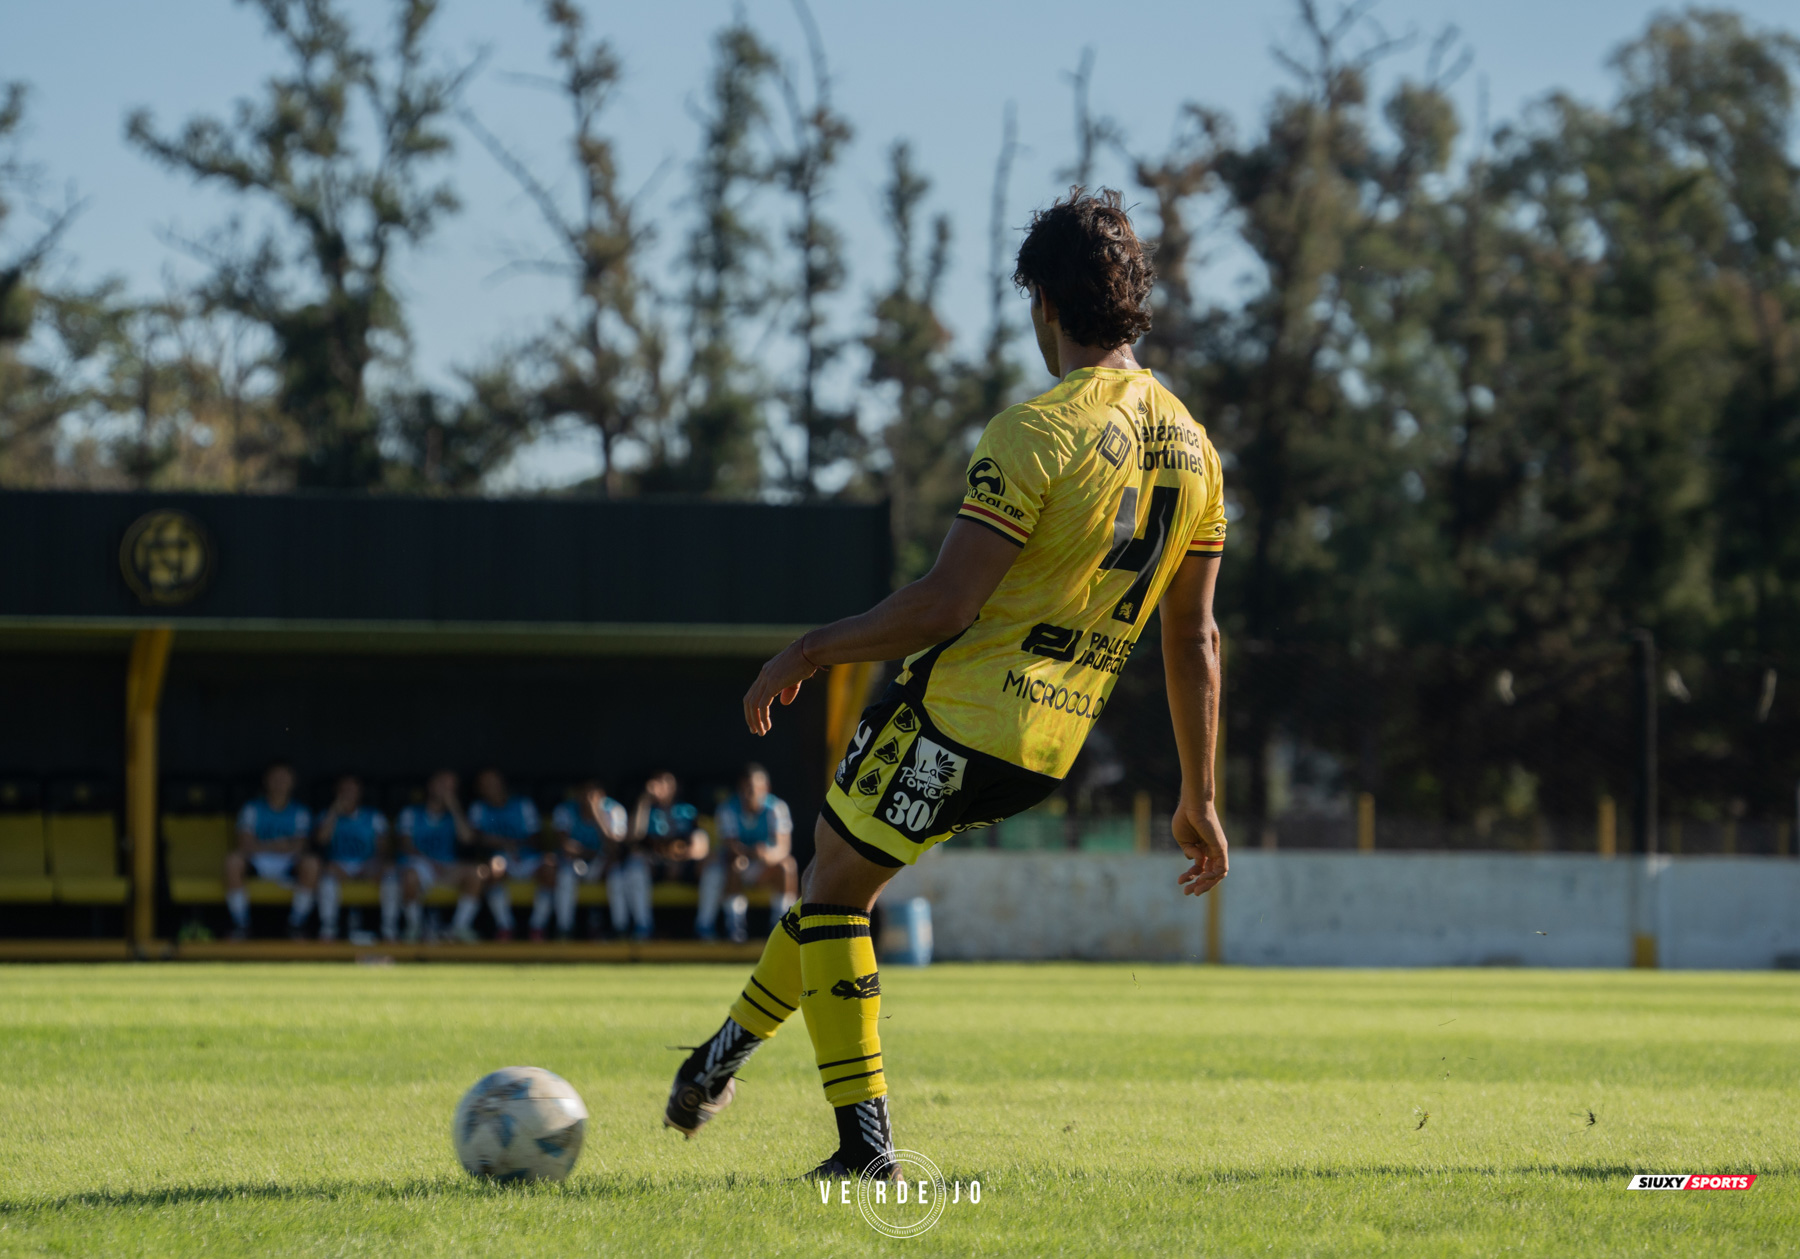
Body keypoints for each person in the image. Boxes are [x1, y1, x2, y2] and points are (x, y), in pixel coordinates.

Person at [663, 189, 1231, 1180]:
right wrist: (1199, 793)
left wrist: (809, 649)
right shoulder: (1197, 451)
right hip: (1051, 745)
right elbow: (1197, 640)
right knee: (835, 883)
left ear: (1044, 302)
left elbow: (944, 605)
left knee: (835, 897)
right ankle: (716, 1061)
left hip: (959, 710)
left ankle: (863, 1153)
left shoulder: (1039, 427)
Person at [699, 763, 796, 943]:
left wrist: (767, 855)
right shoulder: (728, 808)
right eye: (745, 788)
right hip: (737, 866)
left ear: (765, 788)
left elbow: (783, 848)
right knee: (736, 864)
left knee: (787, 866)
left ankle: (782, 928)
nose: (749, 793)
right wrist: (753, 852)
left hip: (765, 866)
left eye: (753, 788)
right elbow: (730, 846)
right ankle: (735, 929)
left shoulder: (777, 807)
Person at [224, 762, 318, 940]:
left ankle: (296, 925)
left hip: (288, 863)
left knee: (311, 863)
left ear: (293, 782)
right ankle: (241, 924)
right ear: (266, 781)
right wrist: (275, 846)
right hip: (258, 860)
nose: (279, 782)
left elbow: (302, 845)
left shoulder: (300, 811)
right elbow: (244, 843)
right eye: (275, 778)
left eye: (284, 778)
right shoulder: (252, 808)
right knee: (233, 861)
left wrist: (276, 846)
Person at [395, 770, 481, 942]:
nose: (445, 790)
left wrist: (454, 807)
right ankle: (415, 928)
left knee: (475, 873)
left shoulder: (454, 815)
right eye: (442, 785)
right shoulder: (411, 813)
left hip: (446, 868)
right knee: (410, 874)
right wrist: (429, 862)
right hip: (419, 866)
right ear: (431, 786)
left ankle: (459, 928)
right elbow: (405, 845)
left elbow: (468, 838)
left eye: (450, 787)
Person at [313, 774, 396, 943]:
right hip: (337, 867)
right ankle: (328, 928)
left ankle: (390, 928)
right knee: (324, 875)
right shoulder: (327, 815)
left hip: (367, 865)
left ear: (359, 792)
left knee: (390, 873)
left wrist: (373, 866)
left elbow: (384, 850)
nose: (347, 794)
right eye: (343, 790)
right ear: (336, 792)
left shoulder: (373, 816)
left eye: (352, 790)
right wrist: (334, 811)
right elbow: (321, 839)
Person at [467, 769, 547, 941]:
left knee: (551, 867)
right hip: (502, 861)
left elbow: (536, 839)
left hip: (527, 859)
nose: (490, 787)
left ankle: (537, 926)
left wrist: (514, 844)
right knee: (495, 865)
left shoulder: (523, 804)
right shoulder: (479, 808)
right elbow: (474, 839)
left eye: (493, 781)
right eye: (485, 784)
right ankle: (505, 926)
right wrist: (501, 843)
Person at [550, 779, 630, 940]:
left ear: (603, 795)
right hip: (576, 863)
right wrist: (587, 853)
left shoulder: (614, 810)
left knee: (617, 876)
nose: (589, 798)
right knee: (564, 876)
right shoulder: (566, 808)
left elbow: (614, 849)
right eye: (585, 793)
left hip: (602, 863)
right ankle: (564, 929)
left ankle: (621, 929)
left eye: (594, 794)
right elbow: (566, 846)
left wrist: (597, 813)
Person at [636, 772, 709, 908]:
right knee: (635, 864)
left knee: (710, 864)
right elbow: (635, 837)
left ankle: (706, 923)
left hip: (684, 863)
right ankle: (642, 924)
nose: (662, 786)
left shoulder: (687, 809)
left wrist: (678, 861)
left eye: (667, 782)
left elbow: (700, 842)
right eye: (658, 782)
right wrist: (645, 799)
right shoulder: (647, 809)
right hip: (656, 863)